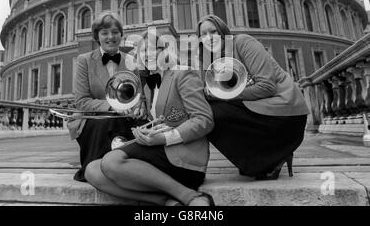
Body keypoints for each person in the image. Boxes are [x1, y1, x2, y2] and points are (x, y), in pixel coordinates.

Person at [84, 29, 215, 206]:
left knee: (110, 162)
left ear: (166, 50)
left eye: (154, 49)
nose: (147, 55)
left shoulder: (183, 73)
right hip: (159, 154)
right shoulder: (146, 86)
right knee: (91, 170)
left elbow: (204, 120)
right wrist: (143, 131)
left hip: (184, 159)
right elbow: (159, 120)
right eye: (143, 51)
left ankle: (190, 196)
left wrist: (164, 138)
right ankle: (165, 201)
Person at [197, 15, 310, 180]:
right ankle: (263, 159)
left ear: (223, 31)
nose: (209, 38)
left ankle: (272, 156)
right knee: (206, 112)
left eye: (213, 31)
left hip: (285, 113)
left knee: (215, 112)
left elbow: (267, 87)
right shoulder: (215, 61)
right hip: (261, 111)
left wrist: (223, 96)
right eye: (203, 34)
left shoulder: (243, 42)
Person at [71, 12, 146, 182]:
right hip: (93, 119)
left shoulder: (131, 60)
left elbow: (138, 96)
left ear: (121, 34)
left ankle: (135, 170)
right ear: (97, 37)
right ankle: (96, 169)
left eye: (114, 32)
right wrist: (112, 107)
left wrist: (139, 108)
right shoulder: (84, 60)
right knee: (107, 122)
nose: (110, 37)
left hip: (125, 117)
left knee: (144, 126)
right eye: (104, 33)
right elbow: (82, 101)